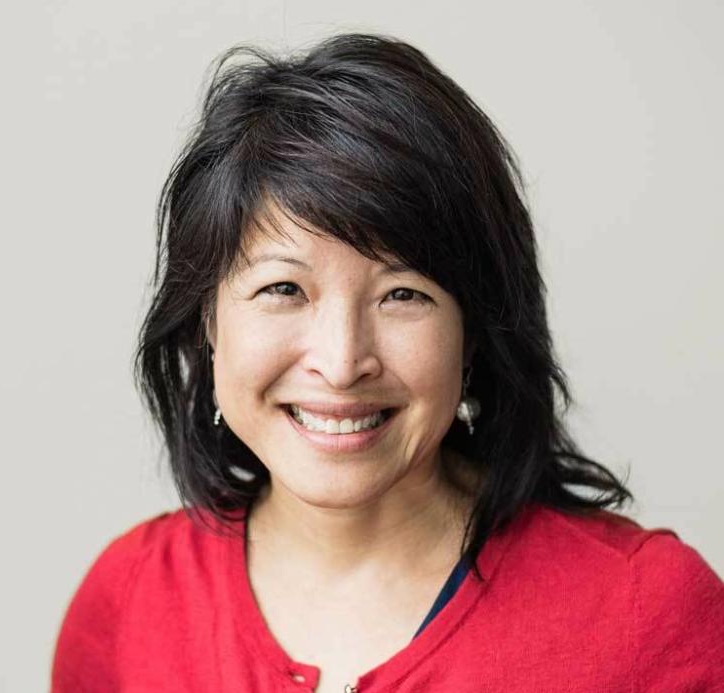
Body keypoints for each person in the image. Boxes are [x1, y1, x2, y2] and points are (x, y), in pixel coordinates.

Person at [51, 32, 724, 692]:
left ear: (474, 331)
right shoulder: (128, 603)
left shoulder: (646, 614)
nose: (342, 363)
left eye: (403, 294)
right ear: (207, 321)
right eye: (283, 289)